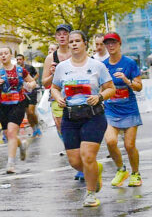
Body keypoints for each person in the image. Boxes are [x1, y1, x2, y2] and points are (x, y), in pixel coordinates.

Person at [50, 31, 115, 207]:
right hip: (70, 116)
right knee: (75, 161)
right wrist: (58, 97)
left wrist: (100, 97)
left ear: (85, 43)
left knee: (87, 156)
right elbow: (54, 88)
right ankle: (95, 170)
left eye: (78, 41)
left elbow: (111, 88)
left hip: (93, 115)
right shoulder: (62, 67)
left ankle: (91, 193)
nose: (74, 44)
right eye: (71, 42)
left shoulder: (97, 66)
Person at [100, 32, 143, 187]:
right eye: (108, 43)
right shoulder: (103, 65)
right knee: (110, 141)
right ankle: (121, 169)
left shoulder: (129, 63)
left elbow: (139, 87)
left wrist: (126, 80)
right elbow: (100, 86)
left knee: (129, 145)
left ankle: (136, 173)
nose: (110, 46)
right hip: (111, 110)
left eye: (113, 43)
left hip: (129, 110)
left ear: (119, 44)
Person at [0, 47, 36, 173]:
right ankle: (21, 144)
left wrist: (30, 85)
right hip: (3, 104)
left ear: (11, 55)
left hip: (18, 103)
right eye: (1, 54)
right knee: (9, 135)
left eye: (6, 53)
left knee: (12, 132)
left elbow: (32, 82)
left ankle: (11, 164)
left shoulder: (20, 70)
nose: (3, 56)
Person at [42, 24, 74, 169]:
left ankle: (76, 152)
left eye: (65, 33)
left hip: (76, 95)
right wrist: (54, 74)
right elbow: (44, 82)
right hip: (57, 96)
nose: (62, 36)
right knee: (62, 126)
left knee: (76, 126)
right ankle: (72, 150)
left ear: (70, 36)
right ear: (56, 37)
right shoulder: (51, 58)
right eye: (59, 34)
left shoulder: (76, 53)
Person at [16, 53, 43, 136]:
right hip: (22, 92)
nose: (18, 61)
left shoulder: (29, 67)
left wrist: (31, 81)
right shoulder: (15, 69)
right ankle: (34, 129)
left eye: (20, 59)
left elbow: (37, 74)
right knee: (27, 113)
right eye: (17, 60)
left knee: (31, 112)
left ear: (23, 60)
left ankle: (37, 126)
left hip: (31, 91)